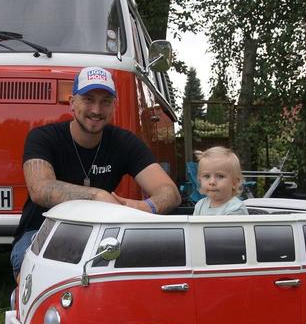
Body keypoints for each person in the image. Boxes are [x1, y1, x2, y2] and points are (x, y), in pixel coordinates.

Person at [10, 66, 181, 278]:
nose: (97, 110)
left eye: (105, 102)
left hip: (102, 234)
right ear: (72, 102)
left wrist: (145, 207)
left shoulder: (125, 142)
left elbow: (171, 193)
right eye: (88, 99)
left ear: (114, 107)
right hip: (42, 232)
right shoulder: (43, 138)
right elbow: (41, 189)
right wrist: (98, 195)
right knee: (46, 281)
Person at [193, 146, 248, 216]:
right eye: (207, 176)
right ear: (200, 180)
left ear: (234, 182)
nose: (212, 182)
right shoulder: (200, 205)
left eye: (220, 176)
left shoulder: (235, 209)